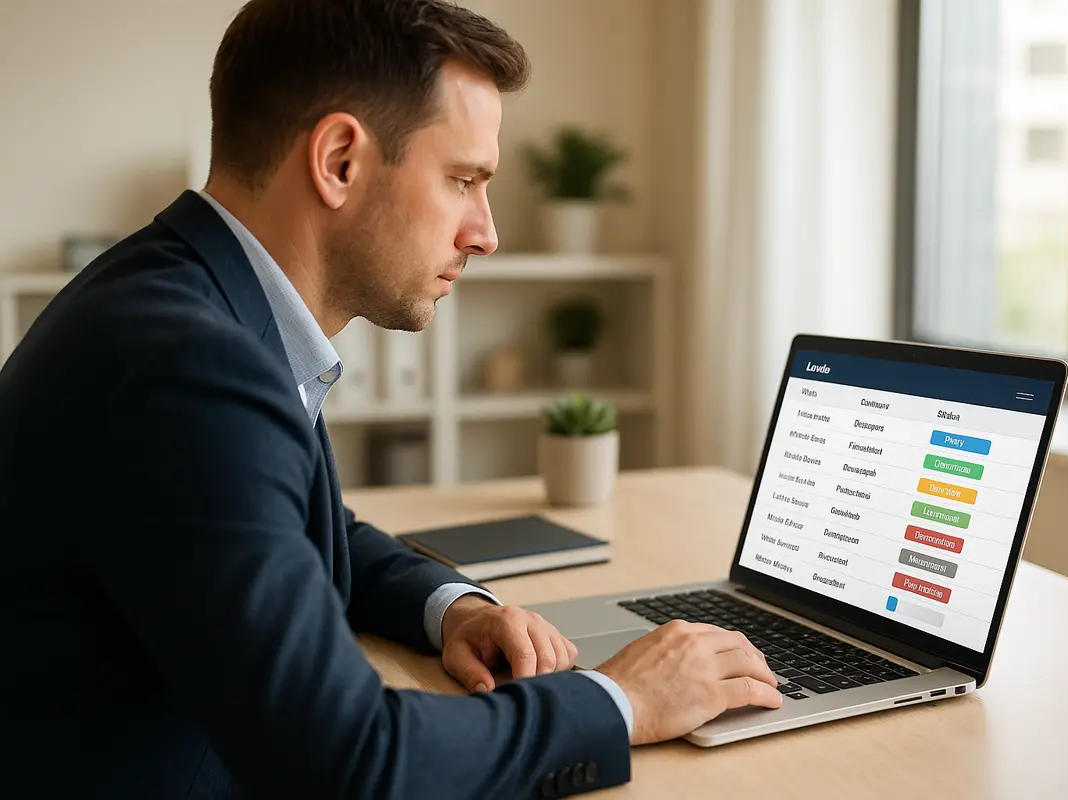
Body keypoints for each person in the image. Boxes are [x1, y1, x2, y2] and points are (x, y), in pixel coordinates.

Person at [0, 1, 783, 797]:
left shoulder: (171, 296)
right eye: (464, 180)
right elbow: (352, 762)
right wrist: (623, 701)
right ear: (340, 159)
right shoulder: (192, 368)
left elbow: (294, 527)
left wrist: (454, 610)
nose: (485, 233)